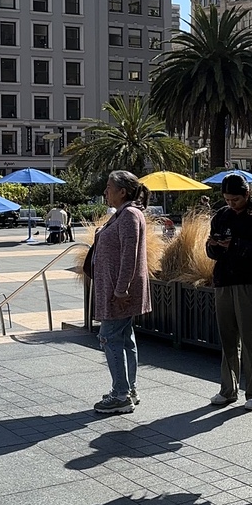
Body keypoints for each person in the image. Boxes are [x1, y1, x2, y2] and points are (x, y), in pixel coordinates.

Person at [205, 174, 252, 409]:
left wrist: (235, 245)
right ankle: (228, 390)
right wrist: (213, 246)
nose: (231, 204)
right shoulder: (221, 216)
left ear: (247, 194)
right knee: (228, 339)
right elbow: (211, 252)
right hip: (224, 281)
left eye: (235, 199)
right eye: (227, 199)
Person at [88, 171, 151, 414]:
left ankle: (121, 394)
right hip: (116, 288)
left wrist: (122, 288)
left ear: (122, 191)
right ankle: (127, 389)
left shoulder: (128, 215)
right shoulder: (124, 214)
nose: (105, 191)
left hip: (120, 291)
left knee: (109, 338)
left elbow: (129, 254)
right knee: (124, 338)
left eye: (109, 186)